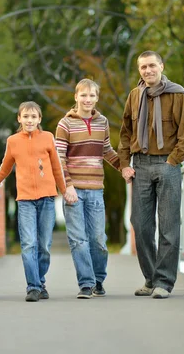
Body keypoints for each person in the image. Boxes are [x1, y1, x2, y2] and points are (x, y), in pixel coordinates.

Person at [118, 51, 184, 299]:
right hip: (140, 165)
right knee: (140, 225)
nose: (147, 70)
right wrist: (124, 164)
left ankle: (164, 282)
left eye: (152, 65)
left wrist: (172, 161)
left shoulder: (177, 95)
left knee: (168, 225)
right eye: (143, 67)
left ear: (161, 66)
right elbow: (125, 133)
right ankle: (150, 278)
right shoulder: (134, 96)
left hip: (167, 164)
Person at [0, 101, 75, 302]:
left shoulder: (47, 138)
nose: (29, 120)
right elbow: (4, 169)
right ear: (19, 118)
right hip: (25, 201)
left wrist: (65, 191)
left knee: (44, 245)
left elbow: (56, 168)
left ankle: (40, 281)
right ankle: (33, 287)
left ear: (39, 119)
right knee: (28, 244)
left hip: (46, 199)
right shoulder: (12, 141)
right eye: (25, 116)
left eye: (33, 117)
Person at [55, 79, 120, 299]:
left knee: (98, 240)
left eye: (92, 96)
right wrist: (67, 186)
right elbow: (59, 157)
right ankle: (85, 283)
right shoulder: (65, 124)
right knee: (78, 240)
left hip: (95, 191)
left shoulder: (102, 122)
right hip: (73, 191)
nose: (87, 99)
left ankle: (98, 280)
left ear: (97, 98)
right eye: (83, 95)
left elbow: (107, 150)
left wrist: (125, 168)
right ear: (76, 97)